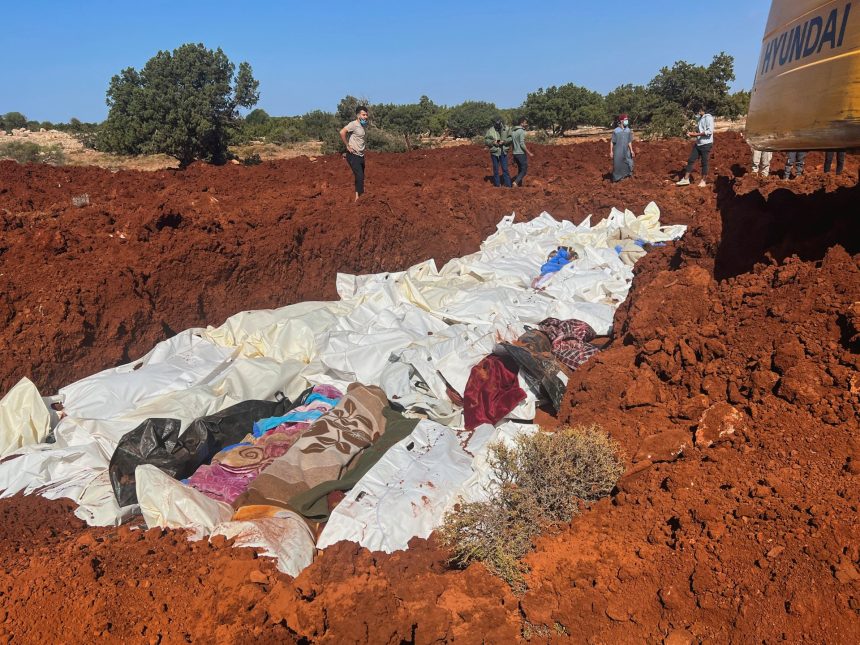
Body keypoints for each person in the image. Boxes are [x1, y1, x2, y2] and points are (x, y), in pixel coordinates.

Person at [675, 103, 714, 187]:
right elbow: (699, 131)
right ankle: (686, 179)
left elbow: (709, 131)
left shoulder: (708, 117)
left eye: (698, 110)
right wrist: (693, 133)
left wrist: (695, 135)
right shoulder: (699, 119)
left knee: (704, 162)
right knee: (691, 160)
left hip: (706, 144)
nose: (697, 112)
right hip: (698, 143)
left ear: (701, 109)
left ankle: (703, 181)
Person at [340, 105, 369, 200]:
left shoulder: (363, 125)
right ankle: (361, 198)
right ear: (358, 115)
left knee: (360, 177)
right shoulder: (353, 124)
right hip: (353, 155)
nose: (365, 117)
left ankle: (357, 197)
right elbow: (342, 132)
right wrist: (347, 146)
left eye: (366, 115)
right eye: (363, 115)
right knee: (360, 176)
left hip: (361, 155)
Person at [485, 117, 512, 187]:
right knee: (496, 169)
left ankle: (508, 185)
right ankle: (497, 185)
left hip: (503, 151)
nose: (497, 125)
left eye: (498, 124)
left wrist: (504, 141)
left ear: (501, 123)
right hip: (494, 152)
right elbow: (486, 140)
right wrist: (493, 142)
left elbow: (511, 138)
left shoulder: (506, 129)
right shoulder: (490, 130)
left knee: (505, 169)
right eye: (496, 124)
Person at [610, 113, 634, 182]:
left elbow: (629, 141)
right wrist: (611, 151)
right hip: (618, 150)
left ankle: (627, 175)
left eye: (627, 119)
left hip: (626, 150)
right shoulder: (616, 131)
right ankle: (617, 178)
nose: (627, 121)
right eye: (625, 119)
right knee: (618, 164)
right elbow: (612, 141)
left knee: (629, 162)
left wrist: (631, 150)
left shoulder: (628, 130)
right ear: (621, 121)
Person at [510, 116, 534, 187]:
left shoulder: (513, 131)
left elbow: (513, 144)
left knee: (520, 169)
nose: (526, 124)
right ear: (521, 123)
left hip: (515, 153)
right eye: (525, 123)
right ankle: (516, 182)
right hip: (521, 153)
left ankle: (519, 184)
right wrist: (529, 152)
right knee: (524, 170)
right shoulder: (521, 131)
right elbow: (522, 143)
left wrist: (513, 154)